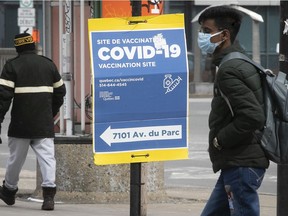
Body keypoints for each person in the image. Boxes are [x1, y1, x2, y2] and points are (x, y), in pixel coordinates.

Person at [197, 6, 269, 216]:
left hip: (241, 164)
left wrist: (220, 140)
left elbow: (252, 116)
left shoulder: (229, 69)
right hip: (237, 163)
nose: (202, 37)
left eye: (207, 31)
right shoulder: (240, 61)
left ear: (224, 35)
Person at [0, 30, 66, 211]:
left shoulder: (12, 66)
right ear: (33, 46)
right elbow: (60, 92)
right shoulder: (48, 65)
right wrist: (50, 112)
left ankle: (9, 190)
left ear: (17, 48)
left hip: (20, 124)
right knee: (47, 159)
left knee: (15, 159)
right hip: (43, 123)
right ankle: (49, 197)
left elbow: (3, 98)